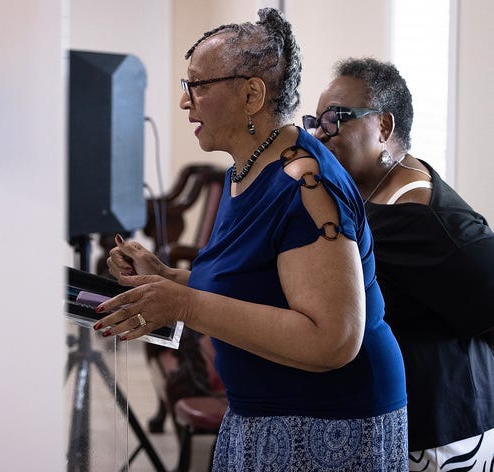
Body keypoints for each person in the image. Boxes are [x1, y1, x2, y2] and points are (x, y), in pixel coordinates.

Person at [92, 9, 408, 471]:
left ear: (251, 94)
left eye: (197, 85)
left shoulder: (306, 185)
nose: (186, 102)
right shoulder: (248, 166)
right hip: (264, 414)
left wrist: (183, 304)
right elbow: (259, 286)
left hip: (328, 423)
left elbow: (334, 339)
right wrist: (168, 278)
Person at [304, 57, 494, 471]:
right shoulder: (372, 196)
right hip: (394, 420)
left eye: (335, 119)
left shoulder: (424, 217)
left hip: (441, 434)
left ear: (384, 127)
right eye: (314, 122)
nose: (320, 134)